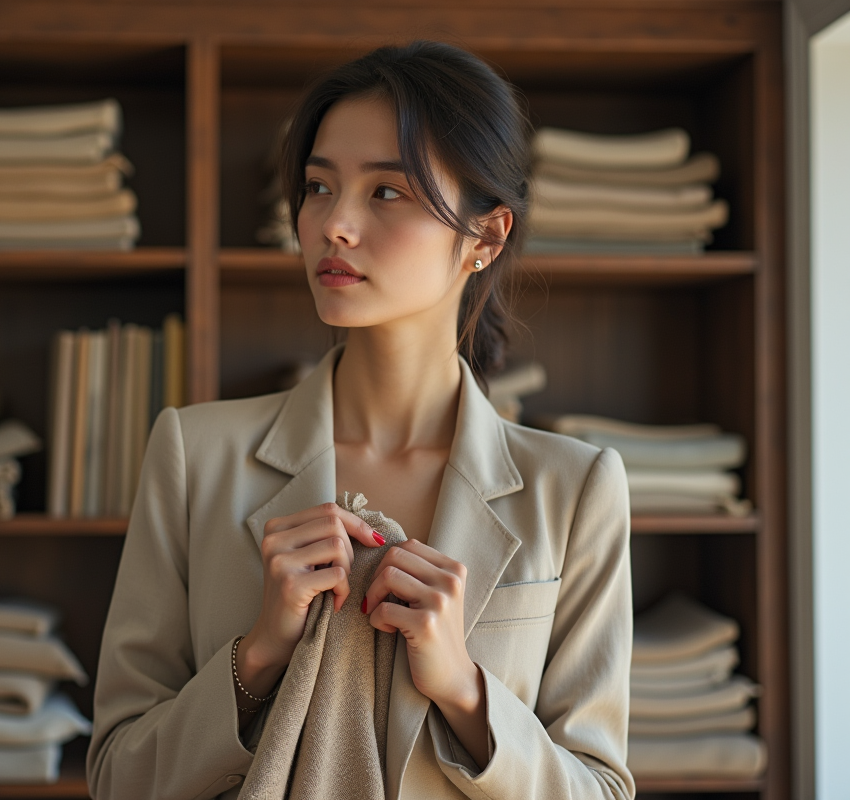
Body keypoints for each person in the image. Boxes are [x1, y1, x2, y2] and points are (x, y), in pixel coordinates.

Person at [86, 41, 633, 800]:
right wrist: (256, 659)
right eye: (318, 186)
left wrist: (466, 693)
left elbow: (602, 789)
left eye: (387, 193)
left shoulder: (574, 489)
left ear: (485, 237)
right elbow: (117, 777)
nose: (333, 224)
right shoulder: (193, 455)